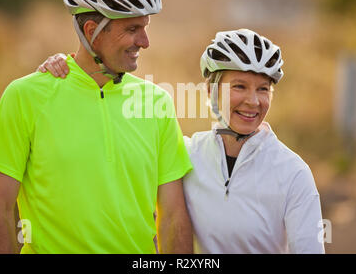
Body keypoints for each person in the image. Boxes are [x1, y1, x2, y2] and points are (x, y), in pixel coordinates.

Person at [41, 28, 325, 254]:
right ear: (212, 90)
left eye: (263, 89)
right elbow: (109, 159)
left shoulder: (292, 173)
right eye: (239, 86)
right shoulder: (187, 154)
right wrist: (70, 69)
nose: (253, 101)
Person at [0, 0, 193, 254]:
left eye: (145, 27)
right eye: (132, 29)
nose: (144, 41)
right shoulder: (24, 97)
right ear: (92, 30)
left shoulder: (157, 103)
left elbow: (172, 217)